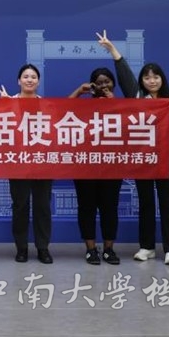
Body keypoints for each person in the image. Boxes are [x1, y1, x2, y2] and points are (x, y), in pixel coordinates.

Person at [97, 30, 169, 265]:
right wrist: (112, 50)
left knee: (167, 204)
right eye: (147, 77)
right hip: (142, 160)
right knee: (145, 204)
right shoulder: (136, 98)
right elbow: (124, 74)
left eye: (156, 77)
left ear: (162, 80)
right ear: (142, 81)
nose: (152, 81)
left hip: (165, 162)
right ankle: (147, 247)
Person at [0, 64, 54, 264]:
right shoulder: (9, 103)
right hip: (18, 162)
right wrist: (4, 106)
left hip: (42, 162)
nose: (29, 80)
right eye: (26, 76)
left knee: (42, 206)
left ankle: (43, 248)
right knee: (20, 206)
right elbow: (0, 131)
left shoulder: (47, 105)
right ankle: (21, 248)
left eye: (33, 77)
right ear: (18, 81)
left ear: (38, 81)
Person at [69, 67, 123, 265]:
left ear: (113, 84)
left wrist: (112, 103)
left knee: (110, 207)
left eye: (107, 81)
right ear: (92, 85)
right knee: (87, 207)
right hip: (85, 165)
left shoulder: (121, 106)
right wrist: (79, 91)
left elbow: (128, 125)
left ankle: (109, 249)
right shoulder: (83, 106)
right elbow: (61, 110)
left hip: (112, 165)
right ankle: (91, 249)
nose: (103, 86)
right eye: (99, 83)